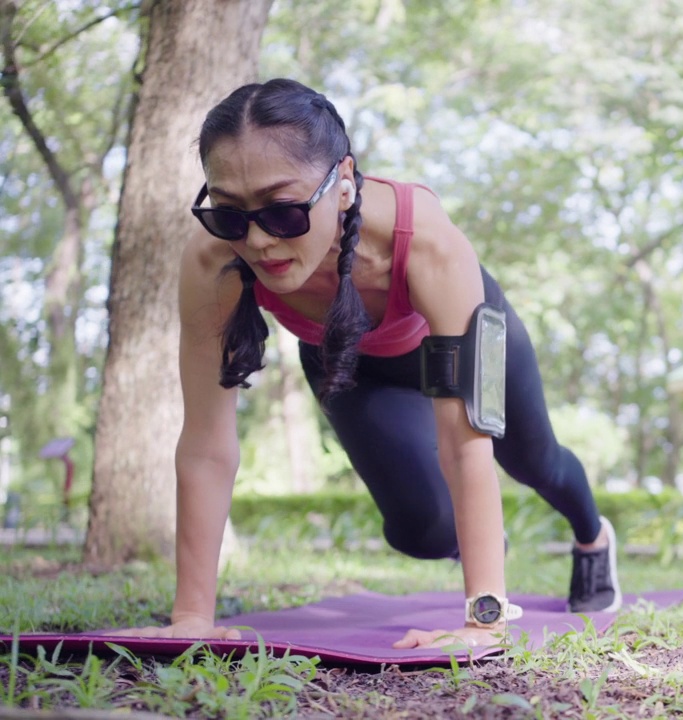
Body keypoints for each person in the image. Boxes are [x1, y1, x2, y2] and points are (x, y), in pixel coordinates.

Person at [117, 78, 620, 649]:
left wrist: (484, 622)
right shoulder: (213, 262)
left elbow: (466, 441)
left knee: (537, 461)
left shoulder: (426, 240)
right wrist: (191, 619)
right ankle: (479, 537)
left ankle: (591, 538)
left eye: (283, 212)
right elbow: (207, 443)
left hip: (451, 336)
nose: (257, 241)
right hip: (348, 355)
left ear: (345, 184)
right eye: (231, 215)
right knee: (424, 530)